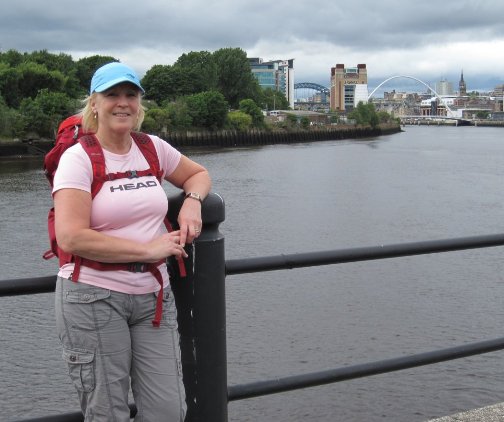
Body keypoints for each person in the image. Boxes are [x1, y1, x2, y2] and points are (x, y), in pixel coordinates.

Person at [53, 61, 211, 421]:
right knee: (108, 413)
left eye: (130, 94)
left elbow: (198, 174)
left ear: (140, 103)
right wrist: (148, 250)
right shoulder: (78, 159)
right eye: (112, 95)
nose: (122, 102)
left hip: (153, 296)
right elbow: (71, 236)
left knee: (169, 411)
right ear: (94, 103)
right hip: (93, 297)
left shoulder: (151, 148)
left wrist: (193, 203)